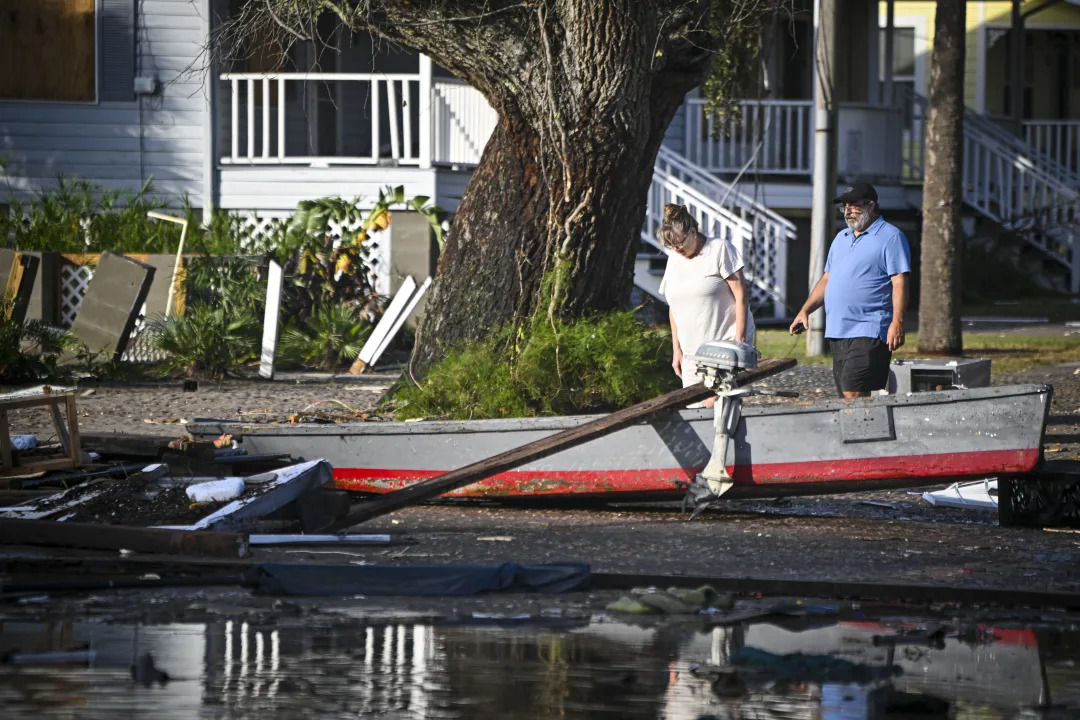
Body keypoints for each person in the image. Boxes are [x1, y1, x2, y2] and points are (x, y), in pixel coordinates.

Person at [789, 182, 911, 398]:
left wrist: (897, 322)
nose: (847, 211)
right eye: (844, 206)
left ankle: (863, 431)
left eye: (853, 206)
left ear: (871, 206)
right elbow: (828, 278)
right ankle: (867, 432)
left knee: (852, 393)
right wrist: (805, 310)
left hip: (870, 328)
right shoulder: (841, 238)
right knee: (852, 397)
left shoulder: (891, 237)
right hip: (838, 330)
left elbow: (899, 281)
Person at [658, 204, 756, 399]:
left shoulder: (719, 249)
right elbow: (674, 306)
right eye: (672, 246)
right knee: (695, 408)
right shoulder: (674, 259)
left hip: (723, 346)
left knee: (718, 407)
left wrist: (741, 341)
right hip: (691, 353)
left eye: (681, 244)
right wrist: (676, 349)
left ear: (693, 232)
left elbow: (741, 294)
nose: (678, 250)